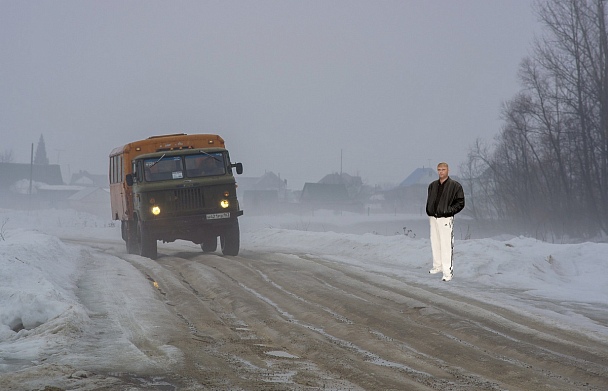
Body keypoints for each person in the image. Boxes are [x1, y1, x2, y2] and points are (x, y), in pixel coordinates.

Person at [425, 162, 465, 282]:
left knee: (446, 244)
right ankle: (437, 266)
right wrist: (429, 210)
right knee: (435, 242)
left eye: (443, 169)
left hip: (445, 218)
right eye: (439, 169)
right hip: (433, 217)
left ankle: (448, 272)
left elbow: (460, 202)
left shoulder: (455, 186)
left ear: (448, 170)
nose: (441, 172)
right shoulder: (432, 185)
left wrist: (449, 211)